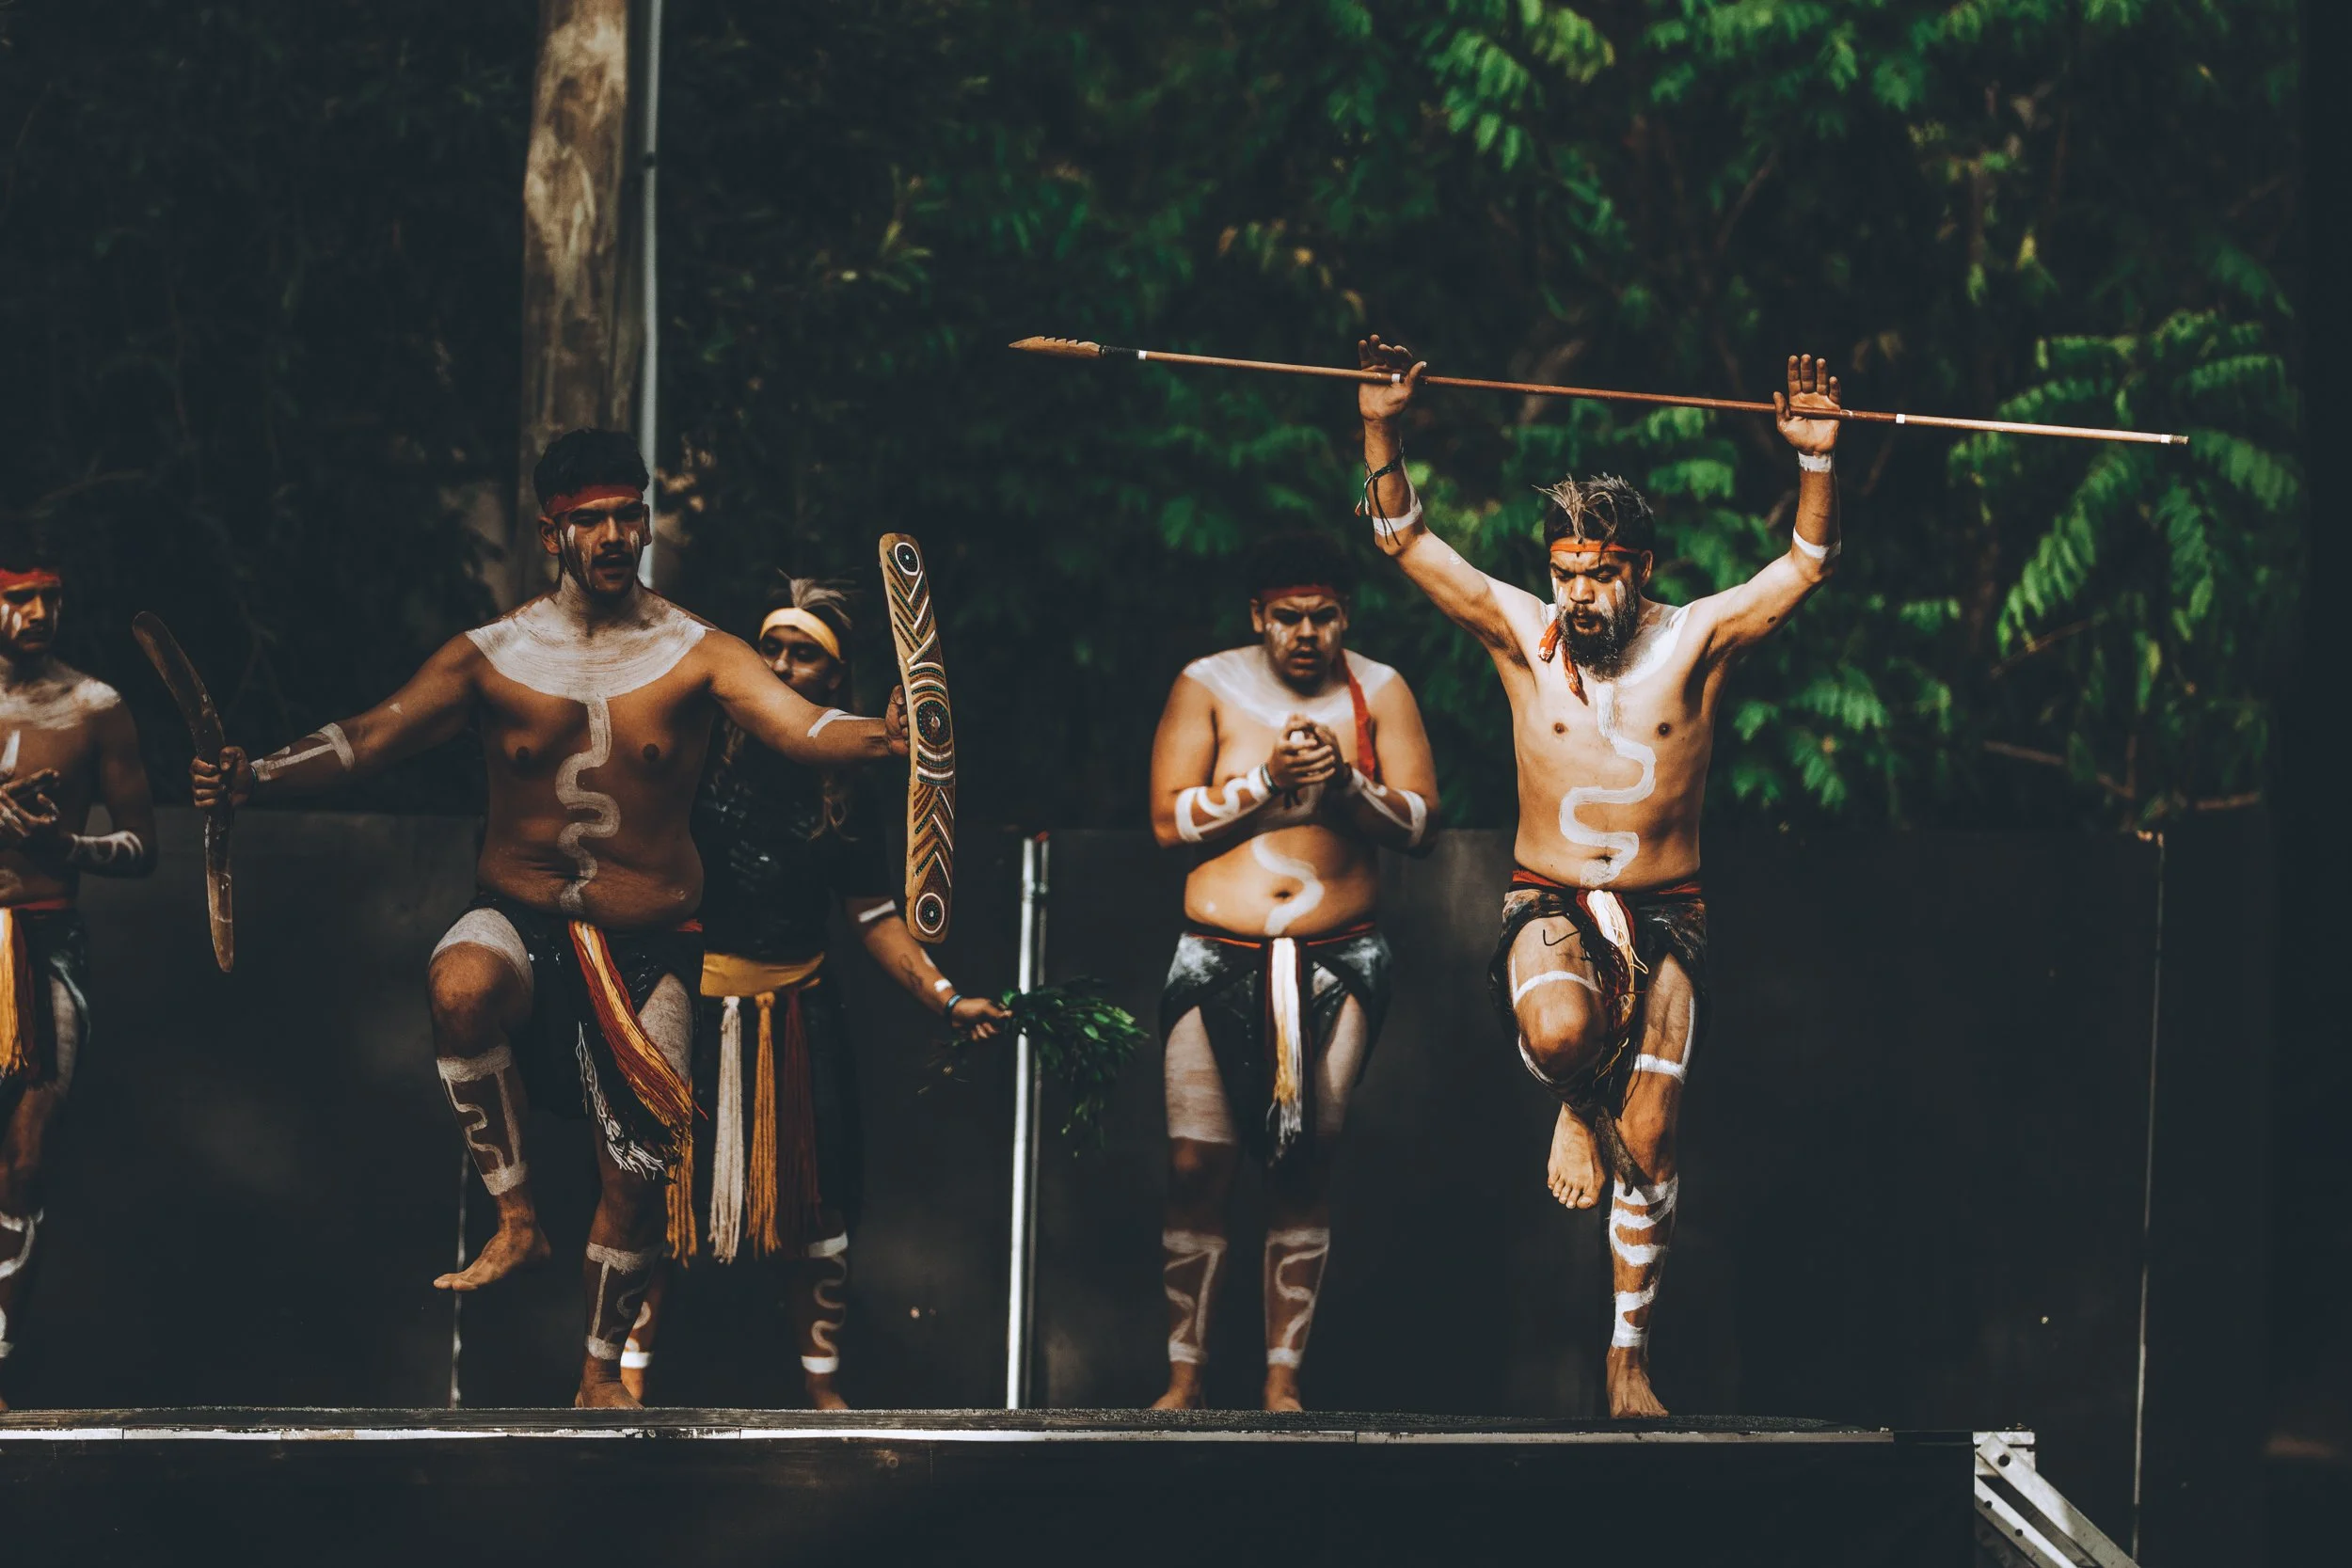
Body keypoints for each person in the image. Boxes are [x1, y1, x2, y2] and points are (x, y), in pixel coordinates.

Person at [189, 431, 907, 1410]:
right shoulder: (492, 656)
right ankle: (517, 1217)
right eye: (592, 520)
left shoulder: (700, 652)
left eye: (629, 516)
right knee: (458, 982)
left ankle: (600, 1372)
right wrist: (256, 776)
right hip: (520, 922)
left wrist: (886, 738)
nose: (615, 536)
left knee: (638, 1177)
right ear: (550, 532)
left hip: (652, 947)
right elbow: (369, 735)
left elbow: (800, 724)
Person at [1354, 335, 1843, 1418]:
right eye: (1565, 573)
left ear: (1642, 569)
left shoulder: (1698, 640)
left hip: (1669, 911)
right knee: (1563, 1028)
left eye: (1600, 574)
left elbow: (1804, 565)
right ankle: (1576, 1102)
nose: (1578, 594)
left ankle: (1627, 1361)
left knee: (1655, 1137)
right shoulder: (1518, 632)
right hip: (1551, 895)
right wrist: (1381, 425)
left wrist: (1813, 458)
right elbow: (1405, 540)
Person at [614, 576, 1009, 1408]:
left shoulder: (846, 788)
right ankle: (624, 1378)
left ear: (836, 676)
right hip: (686, 1006)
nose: (784, 666)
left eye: (805, 655)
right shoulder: (693, 750)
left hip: (796, 1013)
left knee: (817, 1203)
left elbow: (874, 914)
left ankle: (822, 1391)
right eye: (772, 648)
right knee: (649, 1192)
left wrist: (946, 998)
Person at [1145, 531, 1439, 1412]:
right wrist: (1264, 780)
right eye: (1287, 617)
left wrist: (1346, 784)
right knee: (1196, 1165)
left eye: (1322, 616)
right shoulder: (1207, 684)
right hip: (1215, 953)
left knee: (1304, 1161)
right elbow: (1165, 822)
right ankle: (1185, 1378)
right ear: (1257, 616)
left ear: (1346, 615)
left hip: (1338, 957)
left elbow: (1423, 826)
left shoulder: (1381, 689)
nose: (1305, 633)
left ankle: (1283, 1381)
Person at [0, 533, 158, 1409]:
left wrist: (64, 843)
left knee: (26, 1158)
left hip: (47, 938)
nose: (38, 614)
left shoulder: (95, 706)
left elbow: (143, 847)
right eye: (19, 597)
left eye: (50, 597)